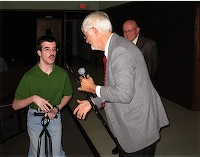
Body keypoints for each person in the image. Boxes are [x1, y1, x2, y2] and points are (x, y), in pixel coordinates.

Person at [73, 11, 169, 157]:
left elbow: (123, 94)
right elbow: (118, 88)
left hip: (138, 129)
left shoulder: (120, 51)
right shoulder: (117, 45)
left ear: (94, 31)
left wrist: (94, 88)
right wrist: (93, 102)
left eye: (86, 36)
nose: (86, 40)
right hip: (140, 123)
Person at [12, 35, 73, 156]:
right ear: (39, 52)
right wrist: (33, 98)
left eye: (54, 49)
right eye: (47, 49)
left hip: (54, 115)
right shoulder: (29, 76)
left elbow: (68, 94)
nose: (52, 53)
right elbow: (15, 105)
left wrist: (57, 108)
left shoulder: (62, 74)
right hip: (34, 116)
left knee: (56, 153)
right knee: (38, 153)